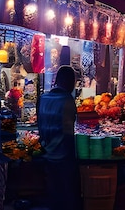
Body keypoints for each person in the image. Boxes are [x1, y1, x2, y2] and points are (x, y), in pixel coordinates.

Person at [37, 65, 81, 210]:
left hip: (46, 151)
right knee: (67, 191)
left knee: (52, 189)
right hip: (63, 154)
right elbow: (69, 131)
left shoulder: (43, 98)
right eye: (74, 82)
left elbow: (40, 125)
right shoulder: (67, 99)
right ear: (69, 82)